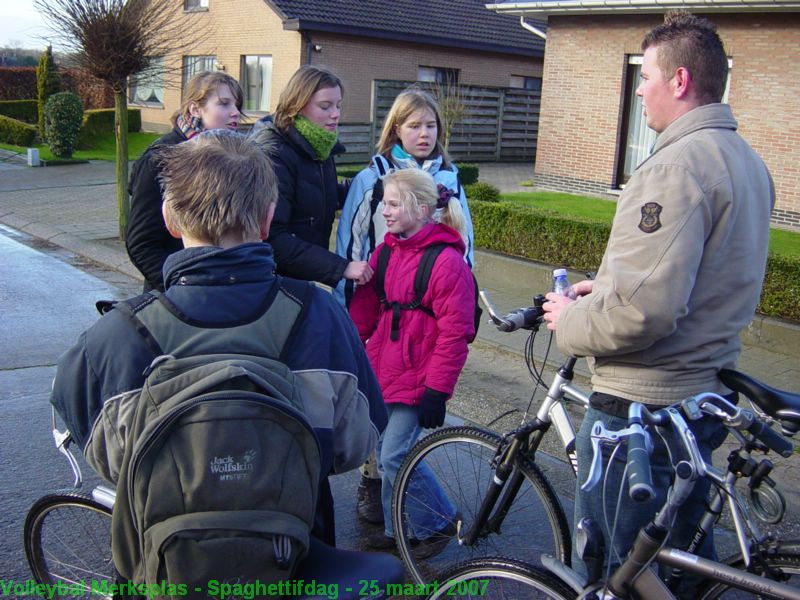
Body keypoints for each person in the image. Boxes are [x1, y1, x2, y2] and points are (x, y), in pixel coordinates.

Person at [51, 130, 387, 553]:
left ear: (169, 218)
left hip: (163, 565)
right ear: (268, 219)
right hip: (295, 553)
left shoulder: (117, 335)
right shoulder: (319, 316)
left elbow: (106, 455)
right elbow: (357, 440)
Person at [541, 10, 774, 594]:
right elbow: (699, 275)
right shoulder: (746, 161)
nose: (638, 88)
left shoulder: (675, 165)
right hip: (704, 394)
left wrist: (570, 321)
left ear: (679, 82)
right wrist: (611, 284)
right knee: (682, 567)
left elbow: (642, 315)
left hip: (643, 408)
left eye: (645, 75)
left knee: (623, 572)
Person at [336, 87, 476, 521]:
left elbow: (464, 247)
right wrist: (348, 330)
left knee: (397, 444)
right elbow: (353, 246)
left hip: (421, 331)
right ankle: (390, 503)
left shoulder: (448, 182)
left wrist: (465, 300)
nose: (424, 133)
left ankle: (421, 519)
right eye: (414, 125)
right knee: (378, 429)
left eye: (431, 125)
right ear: (396, 128)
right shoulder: (374, 179)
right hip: (386, 320)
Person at [349, 168, 475, 556]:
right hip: (384, 368)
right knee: (388, 454)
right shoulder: (385, 252)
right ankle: (396, 529)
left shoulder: (447, 263)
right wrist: (350, 354)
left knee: (395, 455)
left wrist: (437, 390)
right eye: (383, 203)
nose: (384, 211)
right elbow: (364, 312)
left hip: (419, 376)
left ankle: (437, 522)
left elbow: (456, 334)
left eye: (391, 204)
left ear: (421, 209)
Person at [249, 65, 371, 288]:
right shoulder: (274, 155)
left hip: (297, 276)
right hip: (272, 282)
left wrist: (371, 180)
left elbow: (321, 195)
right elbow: (271, 237)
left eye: (338, 105)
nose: (335, 114)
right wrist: (340, 267)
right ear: (297, 106)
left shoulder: (318, 144)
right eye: (325, 106)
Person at [126, 71, 244, 292]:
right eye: (224, 104)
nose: (236, 113)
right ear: (195, 109)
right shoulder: (160, 159)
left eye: (236, 105)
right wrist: (182, 288)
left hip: (227, 292)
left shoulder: (234, 157)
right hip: (178, 299)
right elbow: (141, 244)